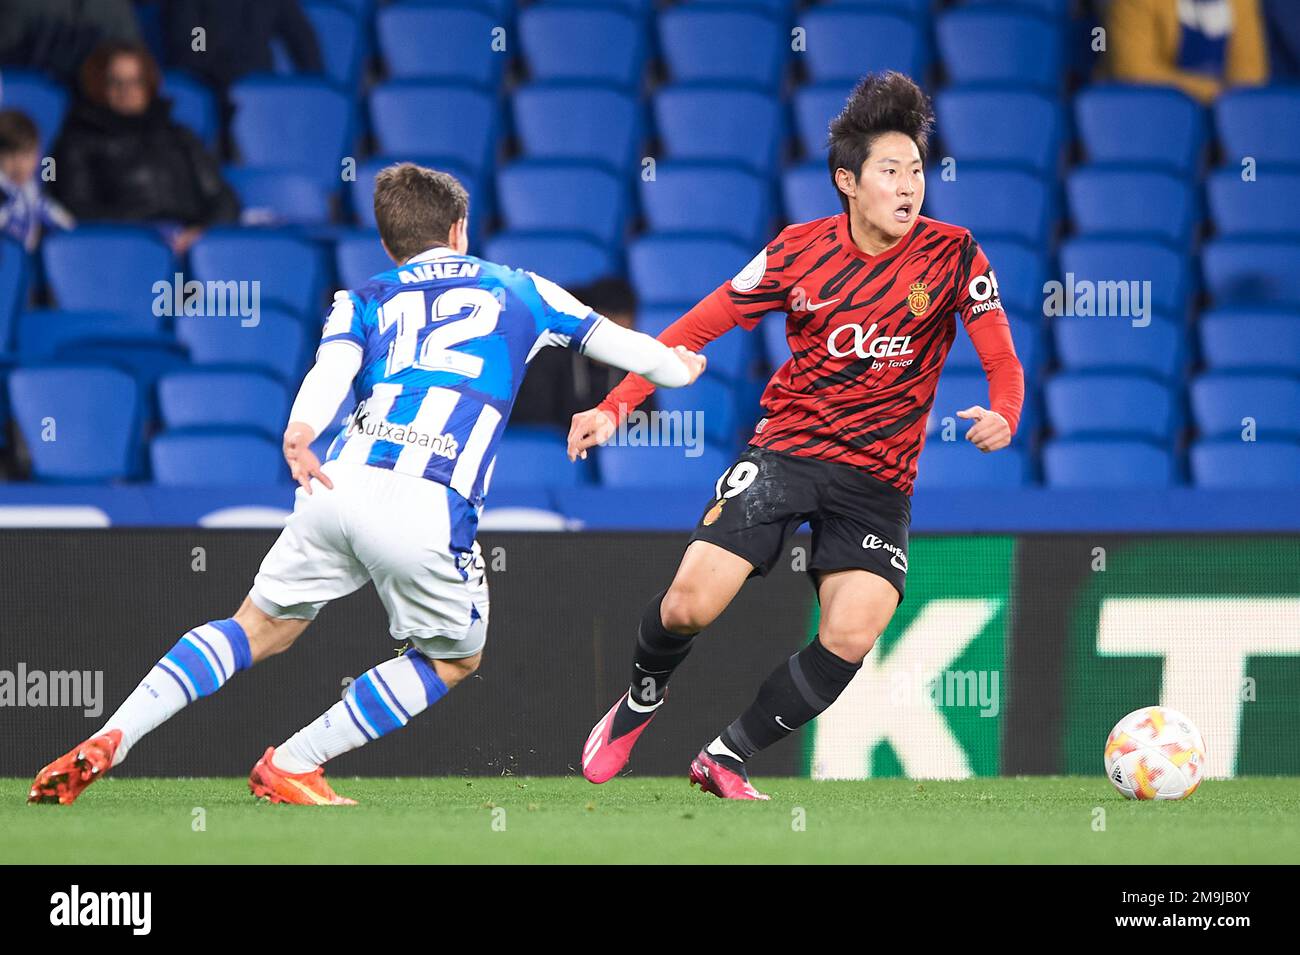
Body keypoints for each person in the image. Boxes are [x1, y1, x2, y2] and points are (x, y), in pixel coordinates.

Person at [28, 163, 706, 807]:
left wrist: (299, 430)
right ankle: (292, 761)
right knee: (454, 658)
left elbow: (330, 372)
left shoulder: (365, 296)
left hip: (337, 481)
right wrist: (680, 367)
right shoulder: (520, 288)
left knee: (257, 626)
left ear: (388, 242)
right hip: (427, 500)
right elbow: (634, 352)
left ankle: (115, 731)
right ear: (460, 228)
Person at [572, 73, 1025, 800]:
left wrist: (1006, 411)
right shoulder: (796, 252)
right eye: (890, 172)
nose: (909, 187)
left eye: (916, 172)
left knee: (853, 631)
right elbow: (698, 325)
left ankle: (726, 755)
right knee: (689, 604)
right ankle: (641, 699)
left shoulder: (954, 255)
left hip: (878, 479)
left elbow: (1002, 356)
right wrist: (617, 405)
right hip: (788, 451)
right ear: (848, 181)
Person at [50, 40, 238, 254]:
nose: (126, 90)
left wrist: (200, 232)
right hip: (125, 250)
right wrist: (148, 234)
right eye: (115, 82)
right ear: (99, 85)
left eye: (135, 81)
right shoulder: (77, 142)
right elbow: (77, 210)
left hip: (191, 245)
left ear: (147, 85)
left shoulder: (179, 135)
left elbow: (222, 197)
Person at [512, 277, 655, 427]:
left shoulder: (637, 370)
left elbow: (646, 432)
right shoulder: (551, 359)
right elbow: (533, 427)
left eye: (623, 334)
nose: (612, 345)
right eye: (606, 333)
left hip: (616, 449)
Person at [1106, 0, 1268, 103]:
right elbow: (1134, 73)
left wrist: (1230, 102)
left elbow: (1250, 72)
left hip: (1220, 112)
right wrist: (1213, 93)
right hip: (1145, 109)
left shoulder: (1242, 3)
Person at [0, 110, 74, 251]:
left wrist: (67, 227)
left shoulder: (32, 189)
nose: (19, 165)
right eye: (10, 156)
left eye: (26, 155)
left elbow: (51, 212)